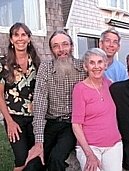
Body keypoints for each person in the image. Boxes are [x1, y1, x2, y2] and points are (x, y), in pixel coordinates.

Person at [25, 30, 87, 171]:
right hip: (51, 122)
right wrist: (38, 141)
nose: (61, 49)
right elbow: (40, 104)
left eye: (65, 44)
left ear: (72, 46)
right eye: (56, 46)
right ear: (51, 49)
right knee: (33, 163)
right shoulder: (46, 68)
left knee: (57, 159)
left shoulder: (83, 68)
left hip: (72, 124)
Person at [72, 48, 123, 171]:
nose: (96, 66)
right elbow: (76, 125)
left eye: (100, 62)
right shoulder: (80, 89)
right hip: (90, 146)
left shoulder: (110, 85)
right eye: (92, 63)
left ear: (105, 65)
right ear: (85, 67)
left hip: (113, 144)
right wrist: (89, 154)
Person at [0, 23, 40, 171]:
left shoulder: (37, 63)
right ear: (11, 39)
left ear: (29, 38)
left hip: (34, 118)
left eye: (23, 35)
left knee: (35, 159)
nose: (20, 38)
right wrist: (9, 122)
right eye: (16, 35)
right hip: (14, 118)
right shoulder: (3, 64)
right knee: (21, 161)